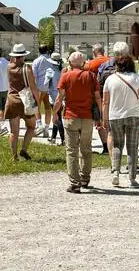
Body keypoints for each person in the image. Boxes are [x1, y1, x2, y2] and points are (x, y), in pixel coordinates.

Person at [103, 53, 139, 187]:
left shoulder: (110, 79)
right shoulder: (136, 78)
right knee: (132, 147)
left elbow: (105, 102)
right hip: (134, 115)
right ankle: (132, 178)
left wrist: (104, 118)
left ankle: (115, 173)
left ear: (117, 65)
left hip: (115, 116)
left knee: (117, 145)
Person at [53, 52, 101, 193]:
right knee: (86, 149)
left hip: (71, 116)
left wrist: (55, 113)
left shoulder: (66, 76)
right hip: (87, 117)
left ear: (70, 62)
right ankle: (85, 178)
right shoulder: (91, 76)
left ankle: (75, 183)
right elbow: (97, 97)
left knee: (71, 150)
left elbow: (59, 98)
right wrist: (101, 115)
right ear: (83, 62)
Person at [4, 43, 40, 161]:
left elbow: (11, 60)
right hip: (25, 102)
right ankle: (24, 150)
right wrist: (38, 102)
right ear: (24, 55)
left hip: (12, 100)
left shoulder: (9, 67)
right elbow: (33, 87)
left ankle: (14, 157)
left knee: (14, 132)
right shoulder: (27, 68)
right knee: (31, 127)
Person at [31, 44, 52, 137]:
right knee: (47, 107)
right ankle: (47, 129)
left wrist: (33, 88)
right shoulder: (52, 60)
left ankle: (39, 125)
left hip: (39, 86)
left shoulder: (37, 61)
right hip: (49, 86)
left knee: (36, 106)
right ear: (47, 51)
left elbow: (34, 75)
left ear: (39, 51)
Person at [45, 52, 65, 145]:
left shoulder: (50, 70)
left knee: (58, 117)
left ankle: (63, 139)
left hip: (53, 96)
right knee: (57, 116)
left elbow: (45, 83)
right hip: (61, 96)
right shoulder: (62, 70)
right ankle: (53, 137)